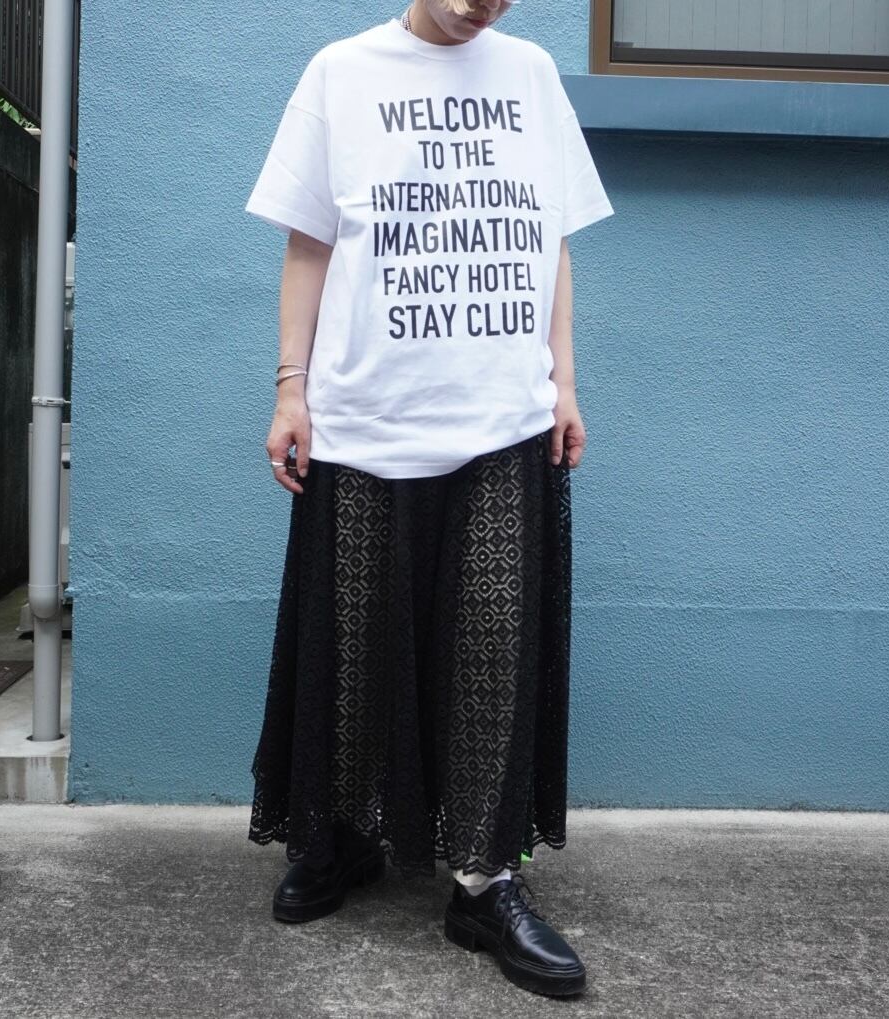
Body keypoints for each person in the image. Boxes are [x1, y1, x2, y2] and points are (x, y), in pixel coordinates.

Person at [243, 0, 613, 998]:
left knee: (491, 648)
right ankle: (341, 835)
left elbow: (550, 241)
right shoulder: (340, 71)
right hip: (363, 415)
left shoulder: (530, 75)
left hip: (499, 419)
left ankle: (482, 881)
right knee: (352, 640)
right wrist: (289, 387)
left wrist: (563, 383)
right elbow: (309, 243)